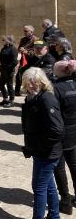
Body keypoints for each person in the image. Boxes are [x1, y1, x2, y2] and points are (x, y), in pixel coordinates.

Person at [21, 67, 64, 219]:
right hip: (40, 151)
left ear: (42, 82)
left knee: (39, 187)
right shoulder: (33, 97)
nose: (31, 86)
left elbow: (57, 130)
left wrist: (40, 146)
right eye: (28, 83)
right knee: (49, 185)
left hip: (47, 152)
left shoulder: (47, 99)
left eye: (35, 82)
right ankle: (54, 216)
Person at [52, 60, 76, 215]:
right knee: (74, 165)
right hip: (74, 133)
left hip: (61, 135)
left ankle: (66, 201)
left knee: (59, 168)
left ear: (57, 73)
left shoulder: (56, 89)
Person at [15, 25, 38, 96]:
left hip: (33, 62)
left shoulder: (37, 40)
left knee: (31, 77)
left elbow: (37, 52)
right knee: (18, 74)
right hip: (24, 61)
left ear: (31, 32)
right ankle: (17, 91)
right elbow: (19, 49)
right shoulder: (23, 39)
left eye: (26, 31)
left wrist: (26, 52)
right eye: (24, 31)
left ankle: (31, 91)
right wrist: (20, 49)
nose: (24, 32)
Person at [0, 35, 18, 107]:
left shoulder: (13, 49)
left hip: (9, 70)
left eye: (4, 40)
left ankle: (11, 101)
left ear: (8, 41)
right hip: (3, 69)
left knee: (9, 85)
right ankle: (5, 99)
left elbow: (15, 62)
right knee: (1, 84)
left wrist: (8, 67)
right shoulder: (4, 48)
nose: (2, 41)